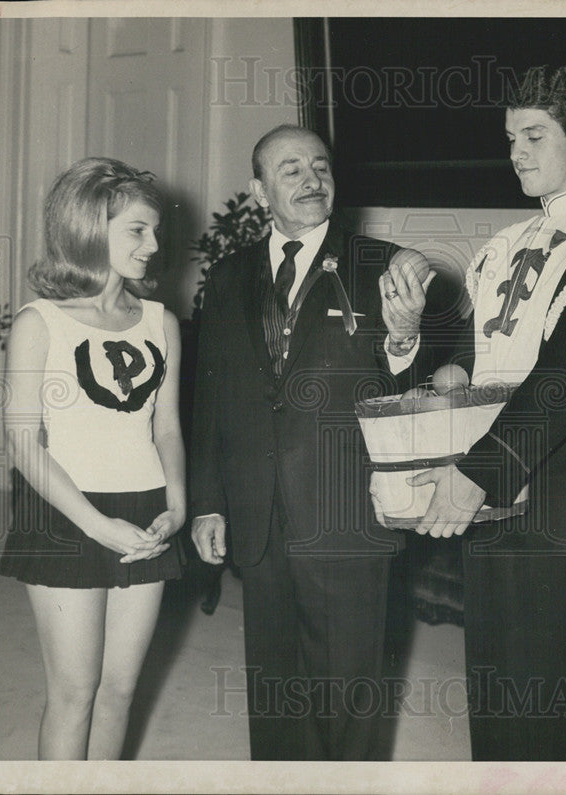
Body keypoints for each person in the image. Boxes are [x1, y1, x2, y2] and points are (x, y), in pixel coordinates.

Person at [407, 66, 566, 761]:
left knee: (547, 715)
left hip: (552, 502)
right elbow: (475, 354)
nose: (516, 150)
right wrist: (449, 375)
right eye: (510, 135)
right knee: (494, 701)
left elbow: (565, 383)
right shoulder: (505, 243)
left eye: (534, 134)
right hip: (485, 500)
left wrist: (476, 472)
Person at [189, 124, 449, 760]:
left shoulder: (381, 268)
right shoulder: (227, 278)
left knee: (347, 700)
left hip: (346, 516)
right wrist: (208, 501)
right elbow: (209, 402)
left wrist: (404, 336)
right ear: (259, 190)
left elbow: (415, 397)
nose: (311, 180)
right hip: (258, 517)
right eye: (291, 170)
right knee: (275, 695)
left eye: (320, 167)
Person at [0, 157, 186, 759]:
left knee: (119, 690)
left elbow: (167, 426)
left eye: (155, 229)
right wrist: (95, 524)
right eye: (138, 230)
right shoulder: (39, 323)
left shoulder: (160, 321)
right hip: (64, 512)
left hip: (146, 509)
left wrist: (177, 505)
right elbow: (22, 441)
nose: (154, 244)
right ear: (87, 228)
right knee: (75, 692)